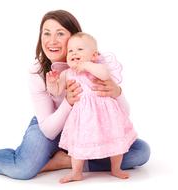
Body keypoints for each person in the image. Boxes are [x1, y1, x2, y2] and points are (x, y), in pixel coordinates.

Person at [0, 10, 150, 180]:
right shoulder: (38, 72)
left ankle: (66, 160)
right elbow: (49, 130)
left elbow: (122, 113)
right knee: (23, 169)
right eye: (46, 33)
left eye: (60, 33)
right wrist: (68, 103)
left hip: (89, 128)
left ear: (75, 36)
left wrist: (117, 92)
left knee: (140, 152)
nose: (52, 40)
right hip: (50, 126)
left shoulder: (95, 64)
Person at [46, 32, 137, 183]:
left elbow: (105, 75)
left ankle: (116, 168)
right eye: (70, 51)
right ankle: (76, 172)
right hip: (83, 119)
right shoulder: (67, 73)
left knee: (116, 141)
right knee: (77, 147)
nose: (74, 53)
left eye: (80, 50)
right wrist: (52, 83)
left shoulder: (98, 68)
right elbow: (56, 91)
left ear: (94, 55)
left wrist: (87, 65)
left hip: (106, 116)